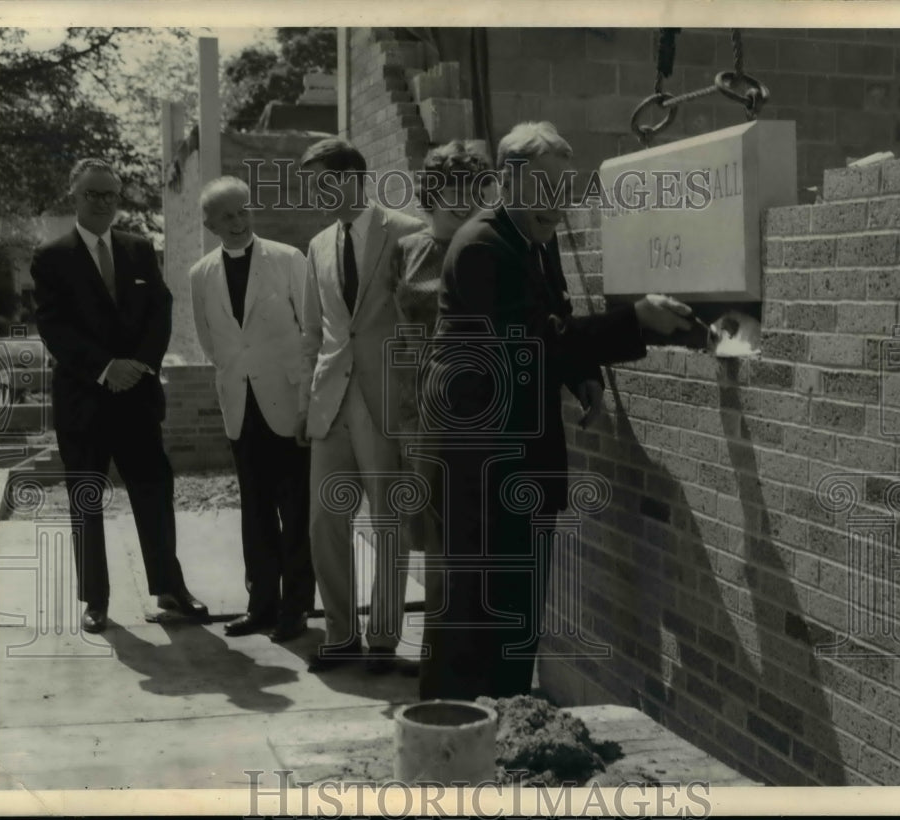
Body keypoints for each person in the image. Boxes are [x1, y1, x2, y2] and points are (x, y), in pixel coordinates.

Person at [418, 122, 694, 700]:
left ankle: (506, 726)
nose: (558, 203)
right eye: (545, 185)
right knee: (475, 611)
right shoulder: (481, 247)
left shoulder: (532, 240)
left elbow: (552, 319)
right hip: (479, 464)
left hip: (516, 454)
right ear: (509, 181)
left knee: (516, 606)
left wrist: (583, 376)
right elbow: (532, 342)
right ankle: (452, 739)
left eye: (564, 188)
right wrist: (634, 320)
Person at [31, 158, 208, 634]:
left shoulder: (139, 248)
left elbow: (160, 309)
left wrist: (139, 365)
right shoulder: (52, 256)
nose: (104, 202)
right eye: (93, 194)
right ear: (74, 195)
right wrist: (107, 367)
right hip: (83, 402)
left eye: (111, 194)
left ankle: (171, 588)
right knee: (87, 501)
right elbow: (54, 327)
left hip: (136, 400)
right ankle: (96, 599)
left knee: (154, 495)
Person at [297, 138, 426, 673]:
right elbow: (314, 331)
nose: (316, 194)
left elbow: (421, 323)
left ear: (354, 178)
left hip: (386, 398)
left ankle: (382, 640)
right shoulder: (317, 245)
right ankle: (341, 632)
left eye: (323, 181)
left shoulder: (407, 232)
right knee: (325, 520)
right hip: (332, 400)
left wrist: (416, 403)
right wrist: (308, 403)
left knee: (387, 520)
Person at [189, 176, 315, 643]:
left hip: (289, 406)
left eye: (243, 210)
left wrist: (306, 402)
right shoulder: (200, 274)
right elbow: (211, 342)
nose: (238, 221)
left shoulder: (287, 259)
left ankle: (297, 609)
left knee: (297, 512)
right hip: (241, 409)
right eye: (226, 216)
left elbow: (311, 333)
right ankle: (262, 605)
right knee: (255, 513)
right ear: (210, 224)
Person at [390, 140, 494, 558]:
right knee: (430, 535)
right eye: (452, 188)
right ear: (432, 193)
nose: (463, 201)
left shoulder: (488, 248)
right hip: (419, 409)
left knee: (476, 540)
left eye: (473, 189)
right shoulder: (406, 250)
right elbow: (399, 329)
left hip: (477, 408)